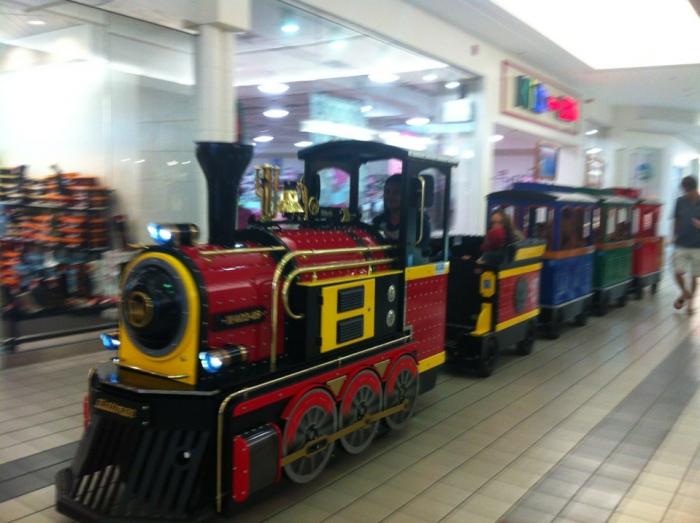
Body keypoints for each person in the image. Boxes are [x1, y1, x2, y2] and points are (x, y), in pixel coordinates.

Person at [372, 174, 431, 249]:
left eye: (396, 192)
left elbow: (418, 251)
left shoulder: (420, 223)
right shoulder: (378, 221)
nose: (390, 196)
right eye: (387, 192)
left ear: (408, 195)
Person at [672, 176, 700, 313]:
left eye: (686, 191)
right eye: (684, 190)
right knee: (677, 273)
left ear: (694, 189)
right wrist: (674, 235)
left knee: (694, 276)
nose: (685, 193)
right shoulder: (680, 201)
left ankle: (690, 303)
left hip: (698, 246)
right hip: (681, 243)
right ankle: (685, 292)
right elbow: (676, 220)